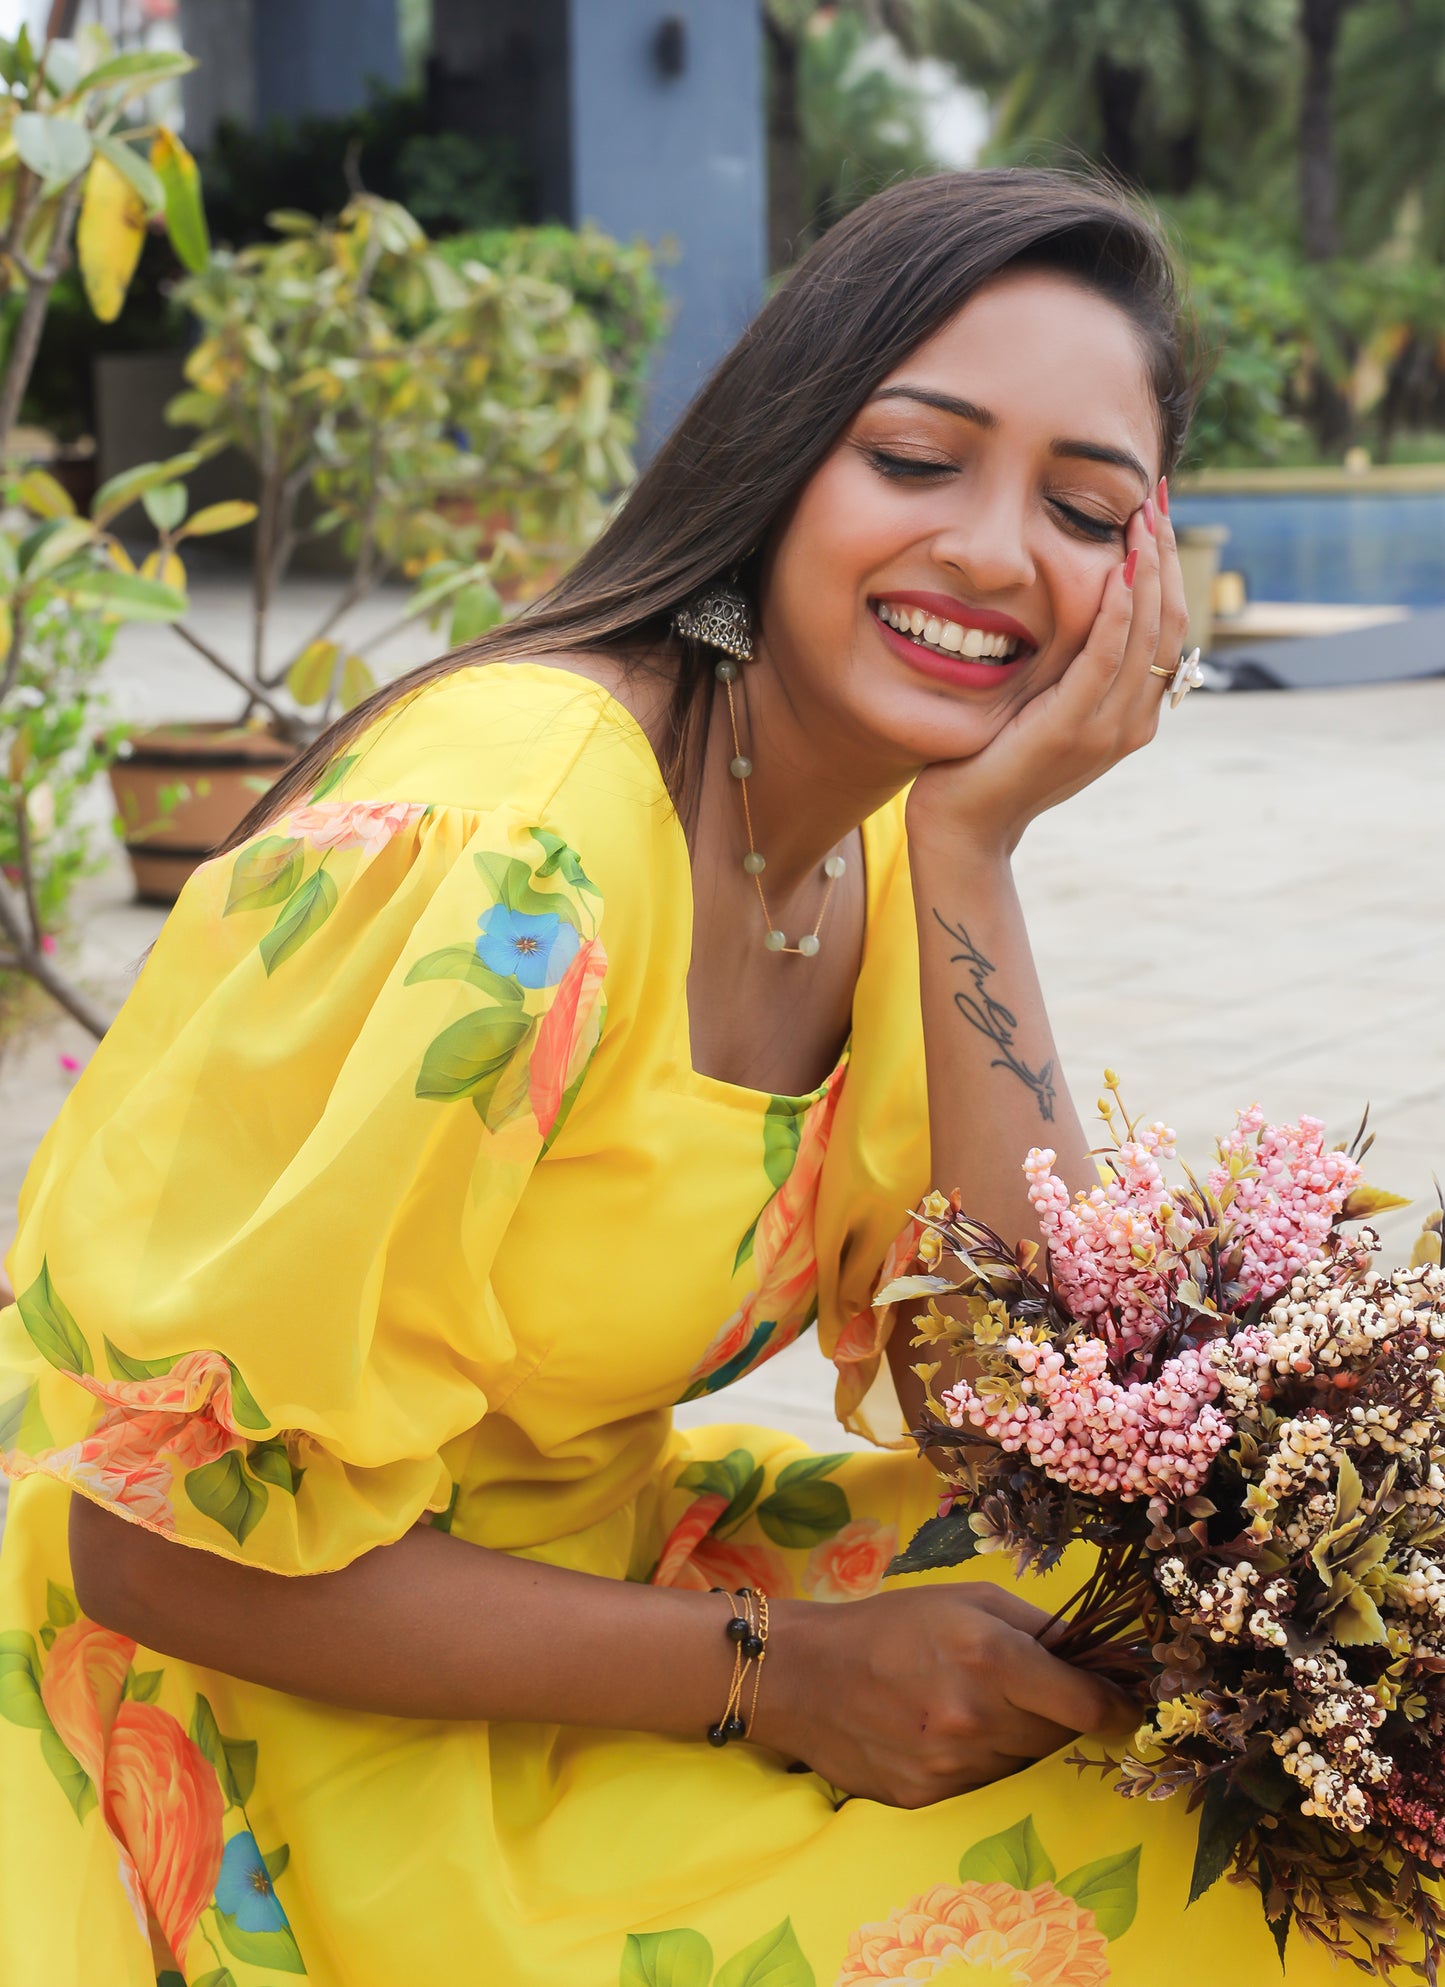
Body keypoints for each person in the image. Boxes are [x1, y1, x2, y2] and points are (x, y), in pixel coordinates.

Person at [0, 170, 1329, 1987]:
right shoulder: (510, 847)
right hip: (276, 1697)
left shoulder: (863, 853)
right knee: (1194, 1916)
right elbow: (149, 1551)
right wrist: (773, 1682)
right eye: (917, 460)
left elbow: (1050, 1413)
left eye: (1083, 508)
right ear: (782, 452)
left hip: (592, 1588)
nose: (1000, 553)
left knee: (1255, 1697)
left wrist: (970, 857)